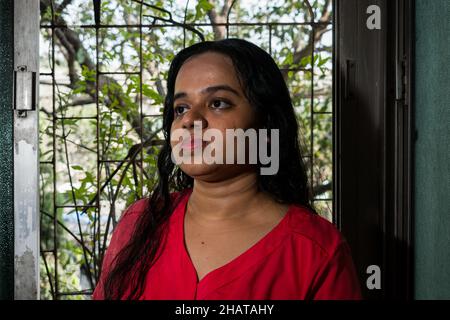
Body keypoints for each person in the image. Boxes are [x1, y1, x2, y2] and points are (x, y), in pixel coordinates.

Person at [92, 38, 362, 300]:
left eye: (218, 103)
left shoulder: (316, 251)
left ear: (266, 127)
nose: (190, 120)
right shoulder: (139, 223)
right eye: (181, 108)